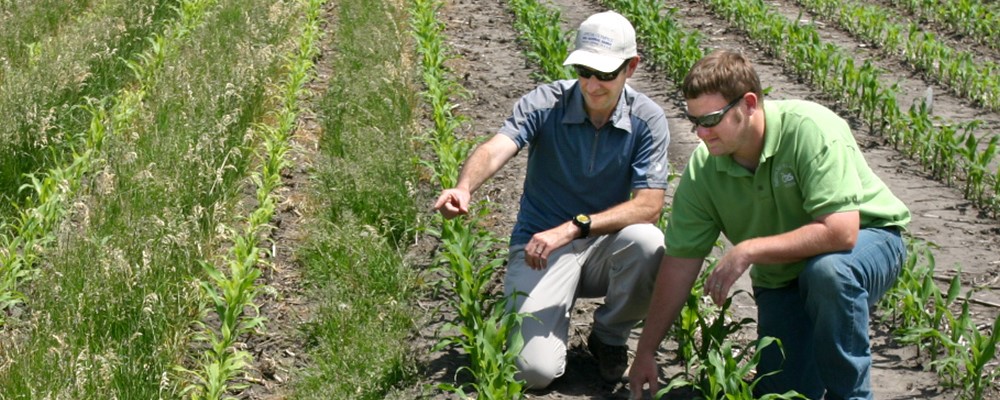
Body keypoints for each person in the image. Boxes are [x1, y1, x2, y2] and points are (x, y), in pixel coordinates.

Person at [628, 49, 910, 400]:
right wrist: (645, 352)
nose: (701, 132)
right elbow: (680, 264)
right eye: (694, 121)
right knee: (783, 392)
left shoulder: (809, 129)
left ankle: (851, 395)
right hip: (783, 277)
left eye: (711, 119)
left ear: (748, 104)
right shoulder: (704, 170)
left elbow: (842, 232)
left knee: (829, 273)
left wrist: (749, 249)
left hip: (868, 243)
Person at [433, 11, 670, 389]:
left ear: (632, 67)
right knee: (532, 373)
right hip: (539, 250)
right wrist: (464, 187)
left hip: (600, 246)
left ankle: (609, 337)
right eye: (584, 71)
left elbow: (649, 205)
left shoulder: (646, 119)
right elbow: (497, 148)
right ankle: (529, 301)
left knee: (649, 243)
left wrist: (574, 228)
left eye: (605, 75)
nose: (592, 85)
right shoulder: (545, 103)